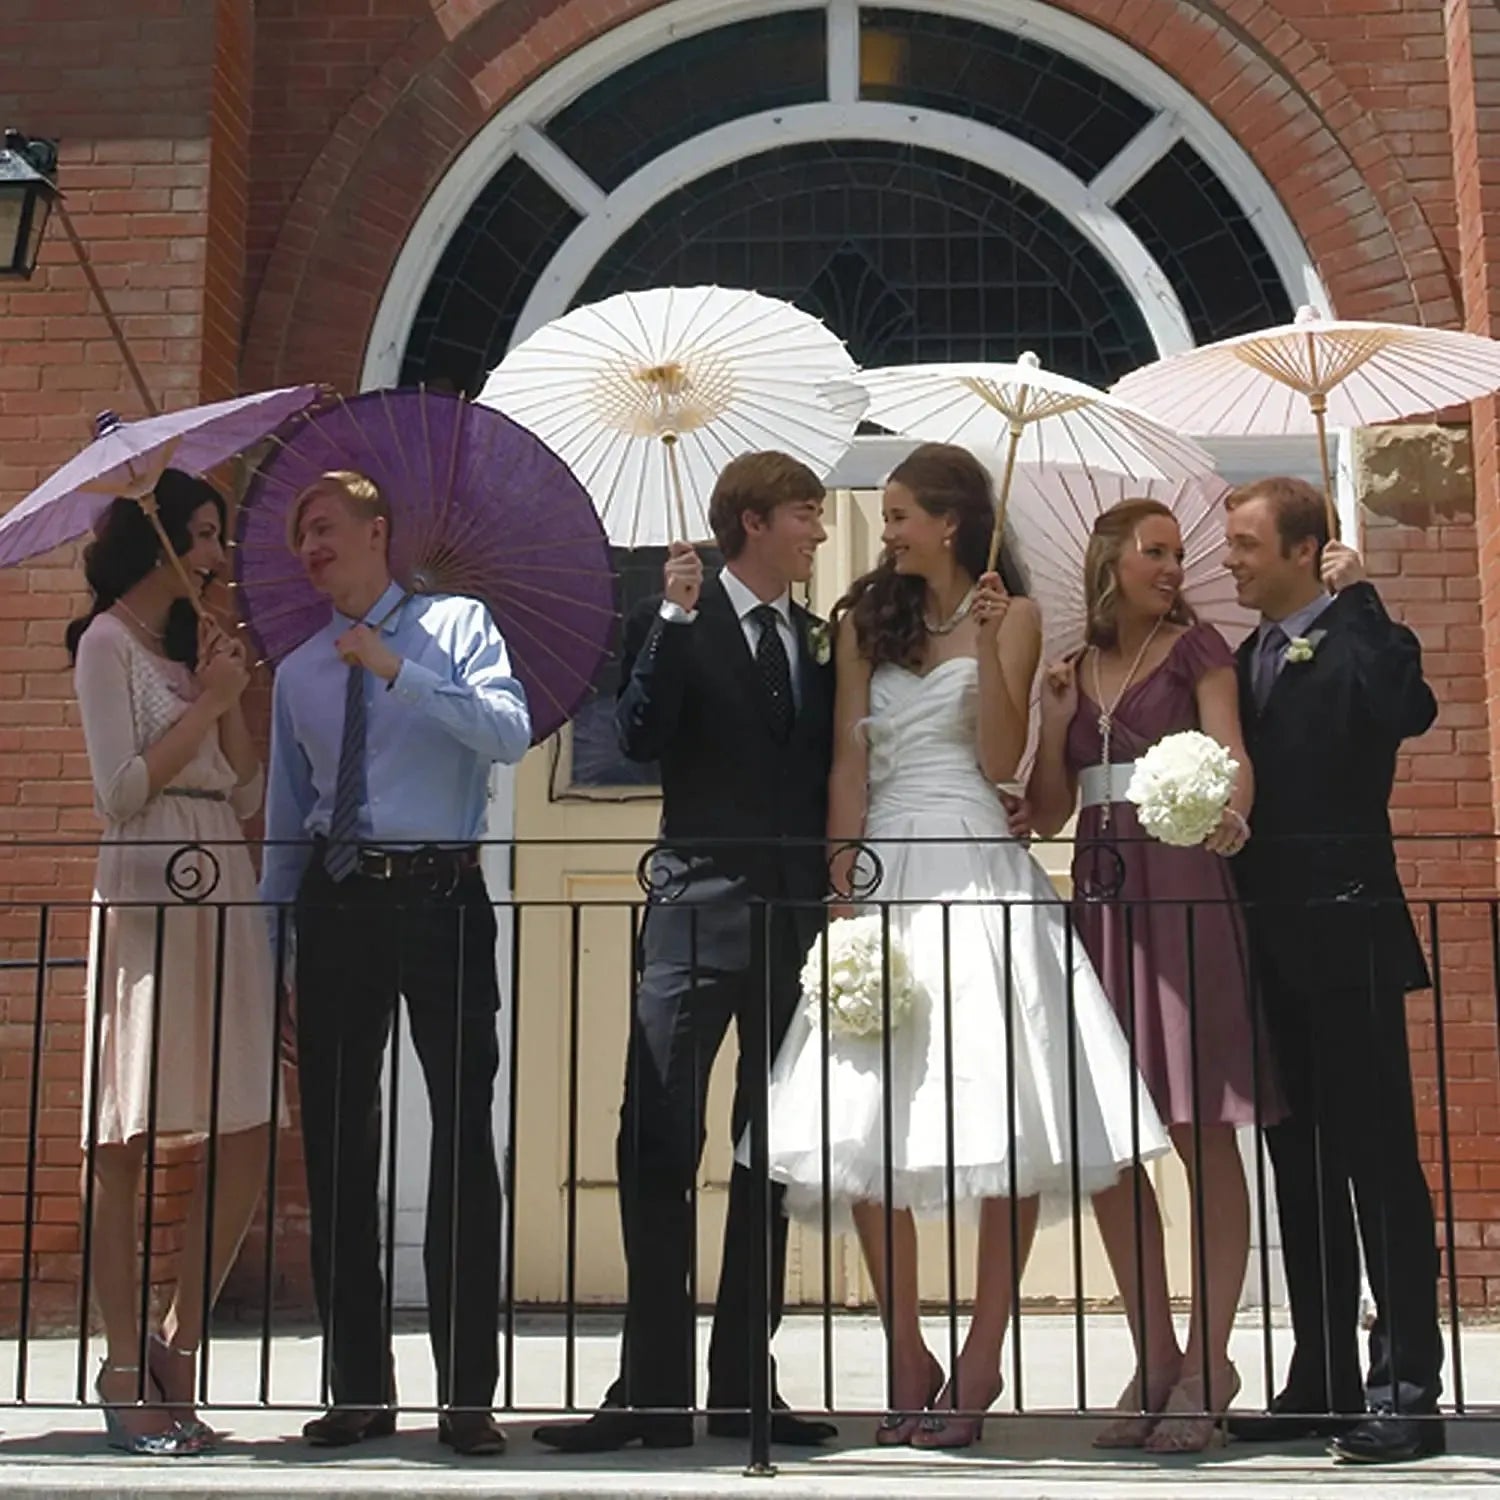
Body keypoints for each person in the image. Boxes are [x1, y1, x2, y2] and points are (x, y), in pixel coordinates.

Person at [762, 444, 1169, 1450]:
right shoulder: (865, 621)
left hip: (979, 867)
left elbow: (1000, 760)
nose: (886, 529)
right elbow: (849, 762)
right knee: (859, 1120)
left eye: (899, 513)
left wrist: (991, 649)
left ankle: (983, 1359)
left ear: (951, 522)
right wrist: (841, 884)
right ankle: (909, 1352)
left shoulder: (1016, 616)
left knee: (1004, 1119)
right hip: (885, 875)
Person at [535, 452, 839, 1453]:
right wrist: (667, 619)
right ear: (752, 521)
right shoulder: (678, 618)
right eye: (806, 514)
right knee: (658, 1135)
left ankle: (745, 1386)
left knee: (771, 1150)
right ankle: (653, 1390)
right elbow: (640, 733)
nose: (820, 531)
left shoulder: (813, 638)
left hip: (789, 920)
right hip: (692, 911)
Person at [260, 470, 531, 1457]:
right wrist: (276, 954)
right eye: (300, 537)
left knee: (461, 1130)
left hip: (438, 894)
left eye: (326, 526)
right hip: (339, 905)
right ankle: (358, 1387)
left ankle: (466, 1396)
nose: (312, 547)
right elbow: (287, 830)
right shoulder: (295, 673)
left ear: (379, 531)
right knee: (337, 1139)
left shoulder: (457, 627)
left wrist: (397, 670)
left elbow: (507, 733)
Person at [1027, 498, 1269, 1452]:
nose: (1173, 565)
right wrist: (1051, 723)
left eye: (1179, 552)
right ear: (1110, 560)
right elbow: (1047, 810)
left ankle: (1211, 1361)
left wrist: (1230, 811)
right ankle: (1156, 1355)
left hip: (1184, 882)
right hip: (1100, 902)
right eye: (1155, 551)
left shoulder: (1200, 647)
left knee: (1200, 1127)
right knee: (1114, 1146)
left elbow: (1233, 755)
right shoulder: (1074, 667)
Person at [1220, 476, 1443, 1464]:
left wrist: (1363, 599)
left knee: (1377, 1165)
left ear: (1307, 551)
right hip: (1265, 944)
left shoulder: (1362, 639)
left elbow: (1405, 709)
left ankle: (1407, 1388)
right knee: (1298, 1166)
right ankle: (1322, 1377)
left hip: (1348, 936)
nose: (1229, 559)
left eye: (1247, 545)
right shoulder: (1241, 657)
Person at [68, 472, 276, 1455]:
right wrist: (207, 707)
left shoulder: (198, 649)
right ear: (153, 541)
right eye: (200, 534)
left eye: (217, 537)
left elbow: (241, 793)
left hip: (222, 889)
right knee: (127, 1127)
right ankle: (118, 1362)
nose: (215, 554)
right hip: (150, 897)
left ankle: (178, 1339)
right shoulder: (106, 643)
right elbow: (119, 789)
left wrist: (230, 692)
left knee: (247, 1116)